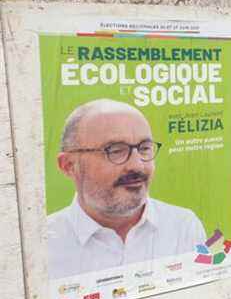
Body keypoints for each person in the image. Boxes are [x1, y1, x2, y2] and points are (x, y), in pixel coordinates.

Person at [48, 99, 207, 280]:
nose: (137, 165)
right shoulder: (44, 244)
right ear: (69, 165)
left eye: (144, 148)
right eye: (115, 150)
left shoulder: (183, 227)